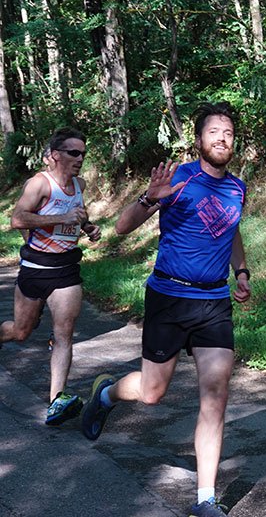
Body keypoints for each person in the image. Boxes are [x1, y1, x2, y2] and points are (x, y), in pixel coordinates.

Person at [79, 102, 251, 517]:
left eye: (228, 132)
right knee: (153, 393)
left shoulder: (237, 188)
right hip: (170, 298)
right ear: (199, 139)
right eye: (214, 131)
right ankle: (106, 394)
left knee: (216, 395)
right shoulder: (178, 178)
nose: (222, 138)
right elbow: (122, 227)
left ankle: (205, 499)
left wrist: (241, 271)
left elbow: (231, 230)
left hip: (214, 302)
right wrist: (147, 199)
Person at [1, 127, 101, 425]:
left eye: (83, 153)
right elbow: (17, 219)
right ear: (55, 155)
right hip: (36, 268)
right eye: (74, 152)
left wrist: (88, 227)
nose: (80, 158)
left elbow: (78, 214)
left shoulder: (80, 184)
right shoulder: (40, 184)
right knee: (21, 331)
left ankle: (56, 400)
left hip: (66, 270)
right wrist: (60, 218)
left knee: (63, 333)